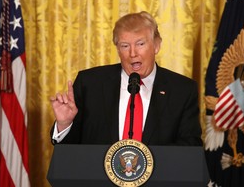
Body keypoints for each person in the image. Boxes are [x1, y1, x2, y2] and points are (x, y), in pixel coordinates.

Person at [50, 11, 202, 146]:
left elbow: (189, 148)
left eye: (140, 44)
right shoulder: (90, 84)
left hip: (159, 177)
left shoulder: (182, 90)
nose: (133, 53)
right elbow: (71, 151)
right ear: (117, 49)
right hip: (97, 177)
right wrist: (64, 125)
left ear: (156, 45)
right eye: (124, 46)